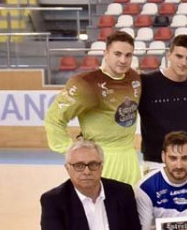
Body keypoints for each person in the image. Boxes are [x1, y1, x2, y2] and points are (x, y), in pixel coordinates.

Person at [45, 30, 142, 185]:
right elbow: (54, 118)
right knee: (101, 207)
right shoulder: (86, 83)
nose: (123, 60)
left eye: (128, 55)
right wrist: (73, 150)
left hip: (130, 157)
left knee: (130, 207)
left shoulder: (134, 77)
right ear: (106, 53)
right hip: (100, 160)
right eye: (117, 54)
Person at [138, 34, 187, 173]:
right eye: (179, 56)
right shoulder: (146, 83)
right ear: (169, 55)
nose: (183, 62)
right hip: (155, 162)